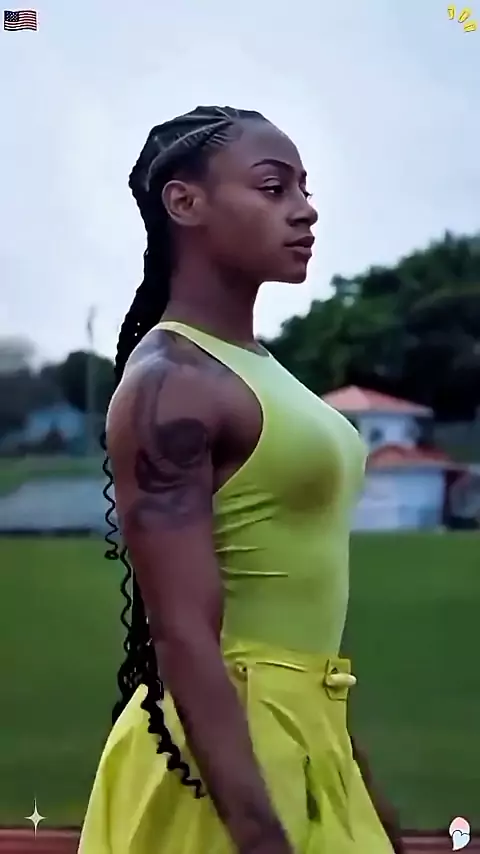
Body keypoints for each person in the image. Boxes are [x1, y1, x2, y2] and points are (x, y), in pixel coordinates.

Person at [78, 105, 403, 854]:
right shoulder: (171, 382)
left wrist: (356, 777)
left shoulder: (258, 368)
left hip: (306, 731)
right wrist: (258, 835)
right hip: (227, 766)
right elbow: (183, 632)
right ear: (184, 203)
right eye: (272, 187)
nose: (305, 209)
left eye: (305, 189)